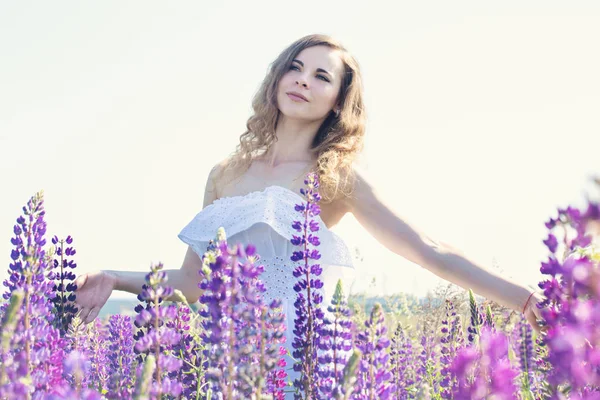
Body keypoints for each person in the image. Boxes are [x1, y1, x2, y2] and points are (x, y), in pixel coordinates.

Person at [73, 33, 547, 388]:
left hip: (309, 364)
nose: (302, 79)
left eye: (322, 75)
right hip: (232, 367)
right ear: (277, 77)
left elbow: (428, 250)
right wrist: (114, 276)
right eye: (295, 68)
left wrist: (525, 298)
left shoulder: (337, 176)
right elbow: (193, 285)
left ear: (338, 100)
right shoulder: (223, 174)